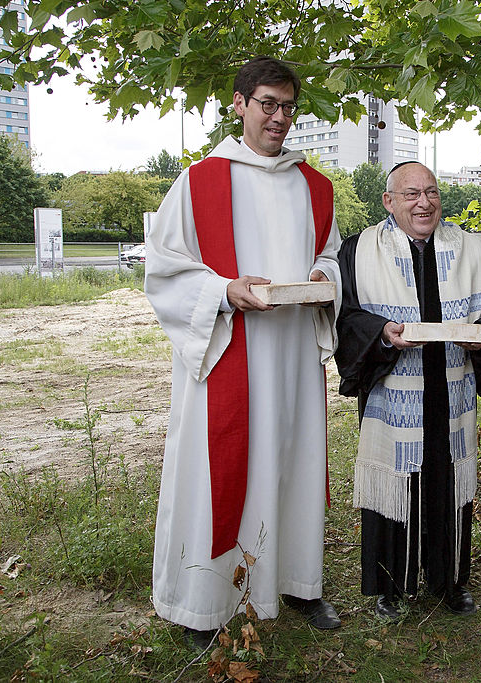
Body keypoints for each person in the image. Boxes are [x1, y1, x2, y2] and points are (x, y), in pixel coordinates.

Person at [144, 56, 343, 639]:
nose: (279, 118)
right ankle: (204, 598)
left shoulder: (315, 186)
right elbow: (164, 270)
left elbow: (329, 256)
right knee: (218, 471)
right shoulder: (200, 180)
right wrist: (226, 289)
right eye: (267, 104)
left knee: (294, 463)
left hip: (292, 361)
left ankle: (298, 583)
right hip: (229, 350)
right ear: (239, 104)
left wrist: (319, 278)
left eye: (288, 107)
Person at [335, 161, 481, 619]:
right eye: (411, 194)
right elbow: (347, 319)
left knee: (448, 485)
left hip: (449, 391)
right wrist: (382, 333)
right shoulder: (359, 251)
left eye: (431, 192)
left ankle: (450, 583)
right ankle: (389, 587)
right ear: (389, 202)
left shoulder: (472, 250)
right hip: (392, 389)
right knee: (393, 484)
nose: (424, 202)